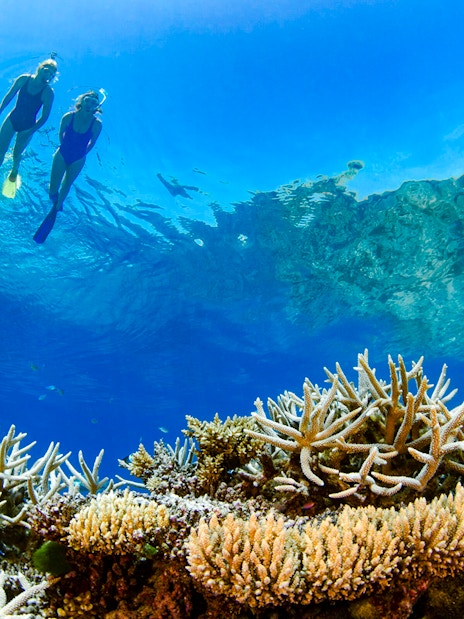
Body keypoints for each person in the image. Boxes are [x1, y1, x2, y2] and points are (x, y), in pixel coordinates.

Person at [33, 89, 104, 244]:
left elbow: (92, 143)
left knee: (66, 185)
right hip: (62, 153)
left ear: (96, 107)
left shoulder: (97, 124)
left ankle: (57, 207)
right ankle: (54, 199)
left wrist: (81, 154)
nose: (90, 104)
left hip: (78, 158)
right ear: (82, 101)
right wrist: (64, 148)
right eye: (88, 100)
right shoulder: (68, 117)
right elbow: (61, 134)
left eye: (94, 103)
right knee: (53, 189)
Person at [0, 58, 58, 195]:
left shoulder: (48, 92)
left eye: (52, 73)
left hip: (28, 126)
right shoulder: (24, 79)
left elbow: (44, 117)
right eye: (47, 69)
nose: (49, 74)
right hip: (13, 118)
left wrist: (31, 131)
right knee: (0, 149)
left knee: (16, 154)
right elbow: (9, 96)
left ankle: (14, 170)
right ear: (40, 68)